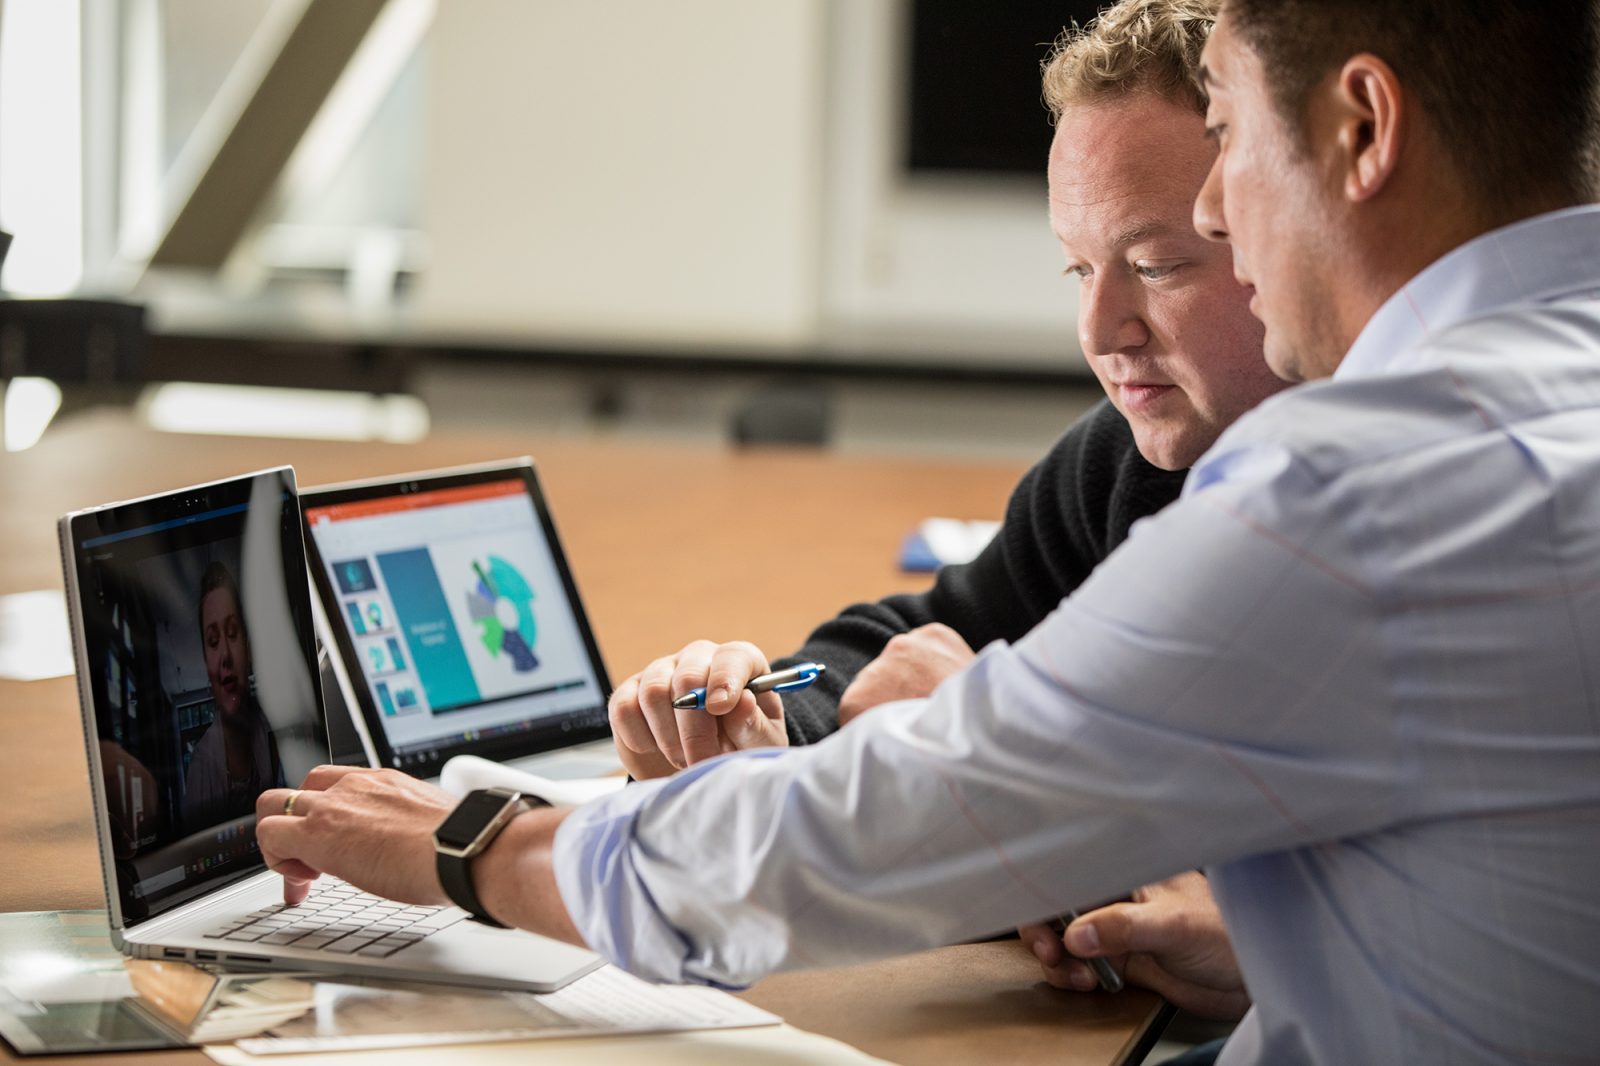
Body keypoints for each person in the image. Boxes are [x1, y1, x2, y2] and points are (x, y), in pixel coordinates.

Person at [257, 1, 1600, 1061]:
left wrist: (468, 843)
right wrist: (1272, 932)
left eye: (1233, 133)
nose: (1215, 208)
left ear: (1363, 126)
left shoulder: (1354, 492)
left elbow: (859, 839)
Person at [606, 0, 1275, 1017]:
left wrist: (996, 762)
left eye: (1154, 264)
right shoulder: (1127, 463)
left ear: (1280, 221)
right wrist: (780, 721)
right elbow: (920, 635)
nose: (1100, 331)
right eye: (1079, 268)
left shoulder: (1383, 498)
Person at [183, 560, 284, 830]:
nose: (225, 655)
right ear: (206, 662)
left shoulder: (274, 735)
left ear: (248, 648)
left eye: (232, 633)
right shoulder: (200, 768)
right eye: (214, 642)